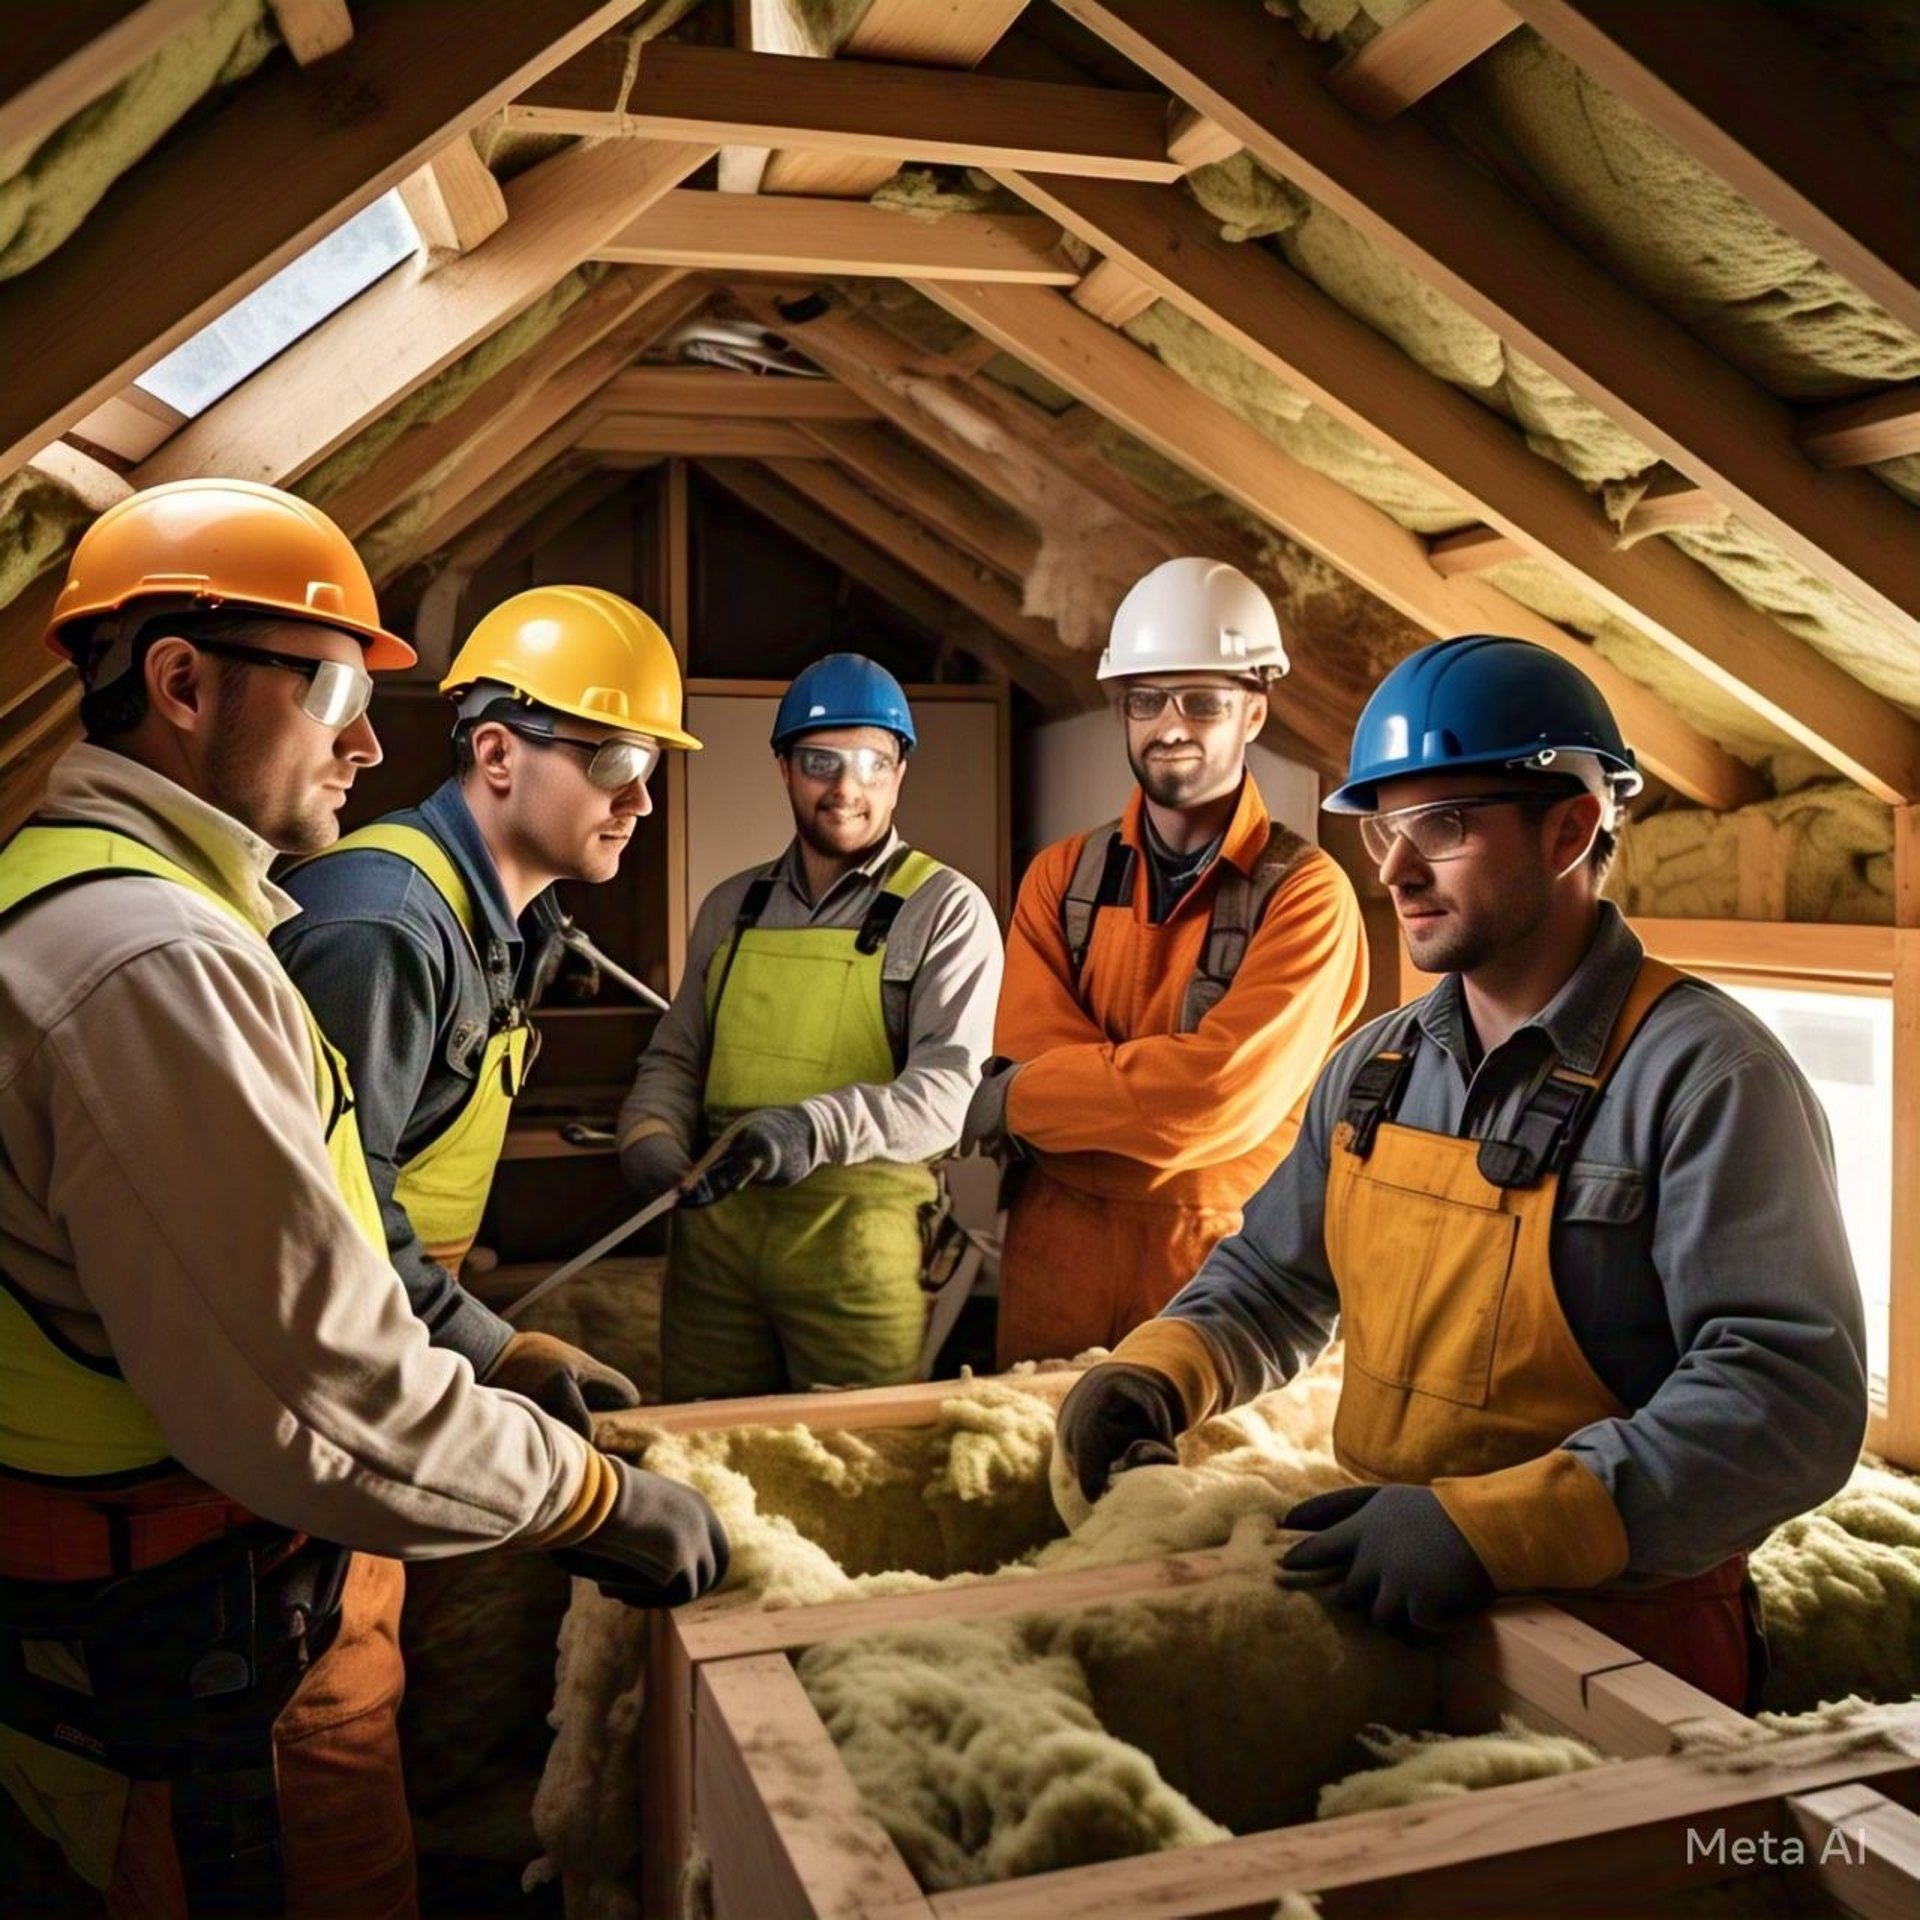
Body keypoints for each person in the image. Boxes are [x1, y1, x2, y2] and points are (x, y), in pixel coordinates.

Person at [0, 480, 728, 1916]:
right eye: (335, 683)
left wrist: (487, 1349)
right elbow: (316, 1393)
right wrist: (588, 1499)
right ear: (183, 681)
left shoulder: (127, 902)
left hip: (158, 1601)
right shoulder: (160, 966)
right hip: (187, 1642)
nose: (369, 739)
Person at [1053, 633, 1868, 1710]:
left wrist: (1492, 1528)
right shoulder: (1375, 1066)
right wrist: (1156, 1371)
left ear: (1571, 827)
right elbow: (1276, 1282)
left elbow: (1788, 1395)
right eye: (1387, 825)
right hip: (1386, 1599)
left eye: (1441, 824)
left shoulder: (1709, 1078)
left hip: (1629, 1643)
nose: (1392, 868)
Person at [273, 586, 702, 1434]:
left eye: (650, 768)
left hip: (395, 1333)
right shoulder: (384, 929)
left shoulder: (501, 923)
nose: (641, 802)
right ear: (499, 754)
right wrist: (488, 1348)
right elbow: (329, 1219)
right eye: (615, 763)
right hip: (327, 1363)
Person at [965, 557, 1368, 1366]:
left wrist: (1029, 1100)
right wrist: (1122, 1085)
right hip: (1055, 1249)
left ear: (1254, 713)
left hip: (1218, 1259)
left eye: (1203, 702)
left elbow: (1211, 1098)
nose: (1169, 725)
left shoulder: (1308, 897)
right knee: (1024, 1474)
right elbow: (1026, 1046)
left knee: (1200, 1488)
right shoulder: (1061, 877)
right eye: (1145, 701)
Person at [619, 653, 1002, 1399]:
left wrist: (807, 1130)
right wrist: (651, 1135)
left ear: (900, 773)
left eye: (870, 762)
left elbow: (950, 1093)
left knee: (851, 1470)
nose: (846, 787)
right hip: (714, 1239)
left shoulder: (946, 910)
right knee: (702, 1453)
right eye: (821, 760)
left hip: (857, 1243)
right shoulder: (731, 905)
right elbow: (677, 1054)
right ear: (785, 769)